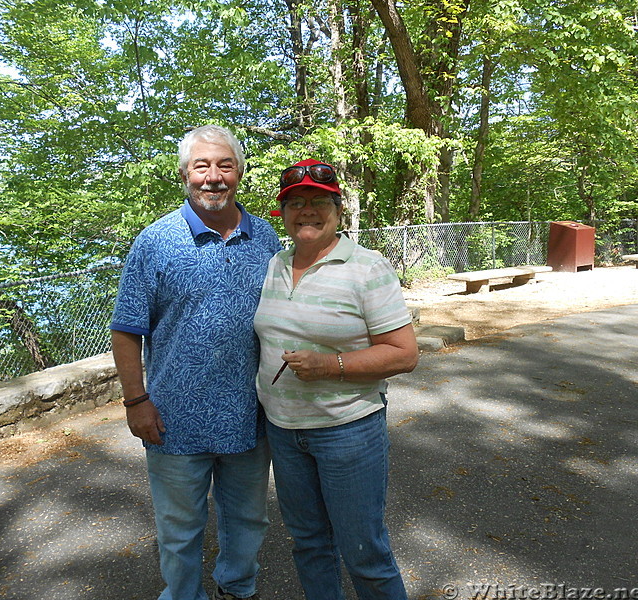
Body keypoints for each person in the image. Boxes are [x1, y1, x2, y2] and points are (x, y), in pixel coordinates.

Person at [110, 125, 283, 600]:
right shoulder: (155, 241)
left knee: (248, 519)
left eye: (224, 165)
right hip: (173, 419)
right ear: (184, 173)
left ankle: (238, 587)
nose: (213, 177)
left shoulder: (265, 237)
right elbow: (126, 329)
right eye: (202, 166)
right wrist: (135, 402)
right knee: (179, 528)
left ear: (240, 172)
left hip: (252, 417)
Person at [253, 159, 419, 600]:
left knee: (364, 552)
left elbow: (404, 354)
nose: (307, 211)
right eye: (296, 203)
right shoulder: (275, 263)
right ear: (282, 214)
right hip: (285, 431)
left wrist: (330, 366)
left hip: (347, 431)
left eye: (319, 202)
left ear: (338, 209)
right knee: (308, 544)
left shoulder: (367, 267)